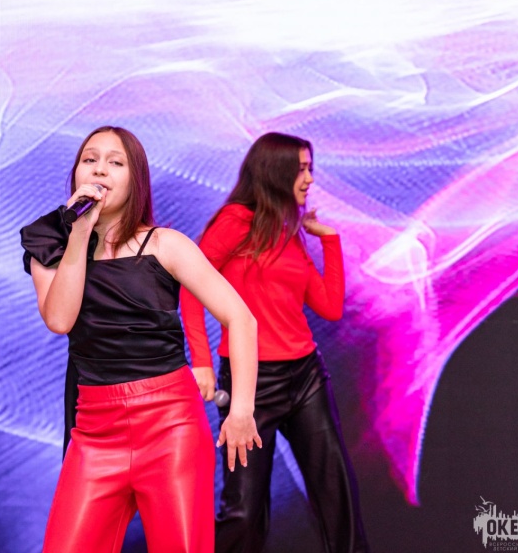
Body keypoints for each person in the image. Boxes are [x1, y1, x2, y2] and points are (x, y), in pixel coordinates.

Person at [20, 126, 262, 553]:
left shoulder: (165, 244)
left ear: (136, 180)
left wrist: (241, 409)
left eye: (115, 162)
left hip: (170, 425)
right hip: (95, 431)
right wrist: (79, 234)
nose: (100, 170)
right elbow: (59, 319)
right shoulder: (49, 243)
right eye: (90, 159)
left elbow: (240, 318)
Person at [180, 132, 370, 553]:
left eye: (310, 168)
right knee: (244, 512)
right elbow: (190, 288)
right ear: (275, 171)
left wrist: (328, 239)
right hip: (251, 386)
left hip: (306, 377)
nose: (309, 179)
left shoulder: (289, 230)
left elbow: (329, 306)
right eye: (300, 169)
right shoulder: (234, 223)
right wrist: (201, 362)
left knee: (337, 498)